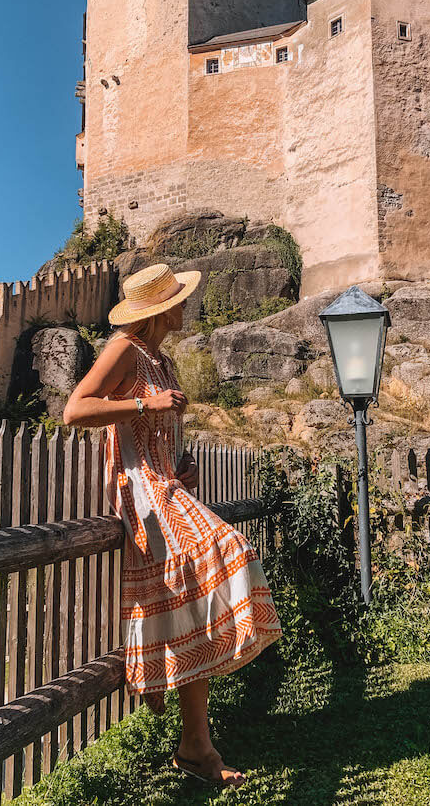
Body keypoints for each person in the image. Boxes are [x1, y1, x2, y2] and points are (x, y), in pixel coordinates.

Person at [63, 262, 283, 787]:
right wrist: (146, 401)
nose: (187, 306)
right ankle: (188, 732)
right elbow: (75, 409)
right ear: (160, 309)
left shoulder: (162, 360)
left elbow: (154, 434)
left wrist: (177, 466)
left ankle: (195, 743)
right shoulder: (124, 350)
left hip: (166, 484)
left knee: (192, 599)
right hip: (138, 490)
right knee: (228, 550)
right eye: (180, 300)